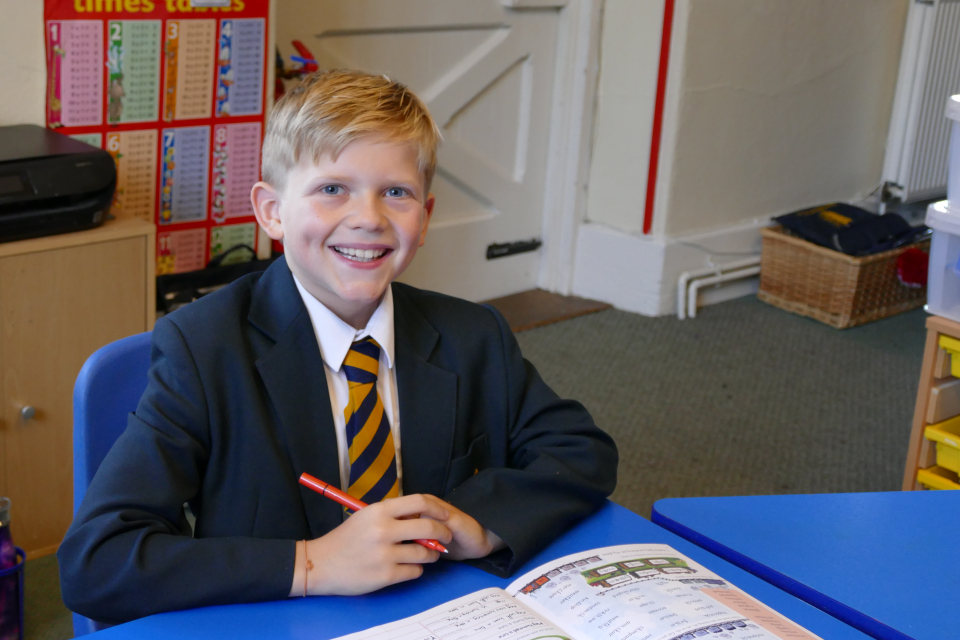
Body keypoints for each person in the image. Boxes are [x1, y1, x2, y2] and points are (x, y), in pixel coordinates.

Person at [58, 69, 618, 625]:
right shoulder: (205, 349)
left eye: (395, 193)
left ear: (424, 218)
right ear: (272, 211)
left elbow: (580, 450)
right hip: (278, 622)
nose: (368, 219)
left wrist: (478, 524)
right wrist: (313, 563)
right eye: (332, 189)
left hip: (437, 615)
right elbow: (96, 561)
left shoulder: (473, 334)